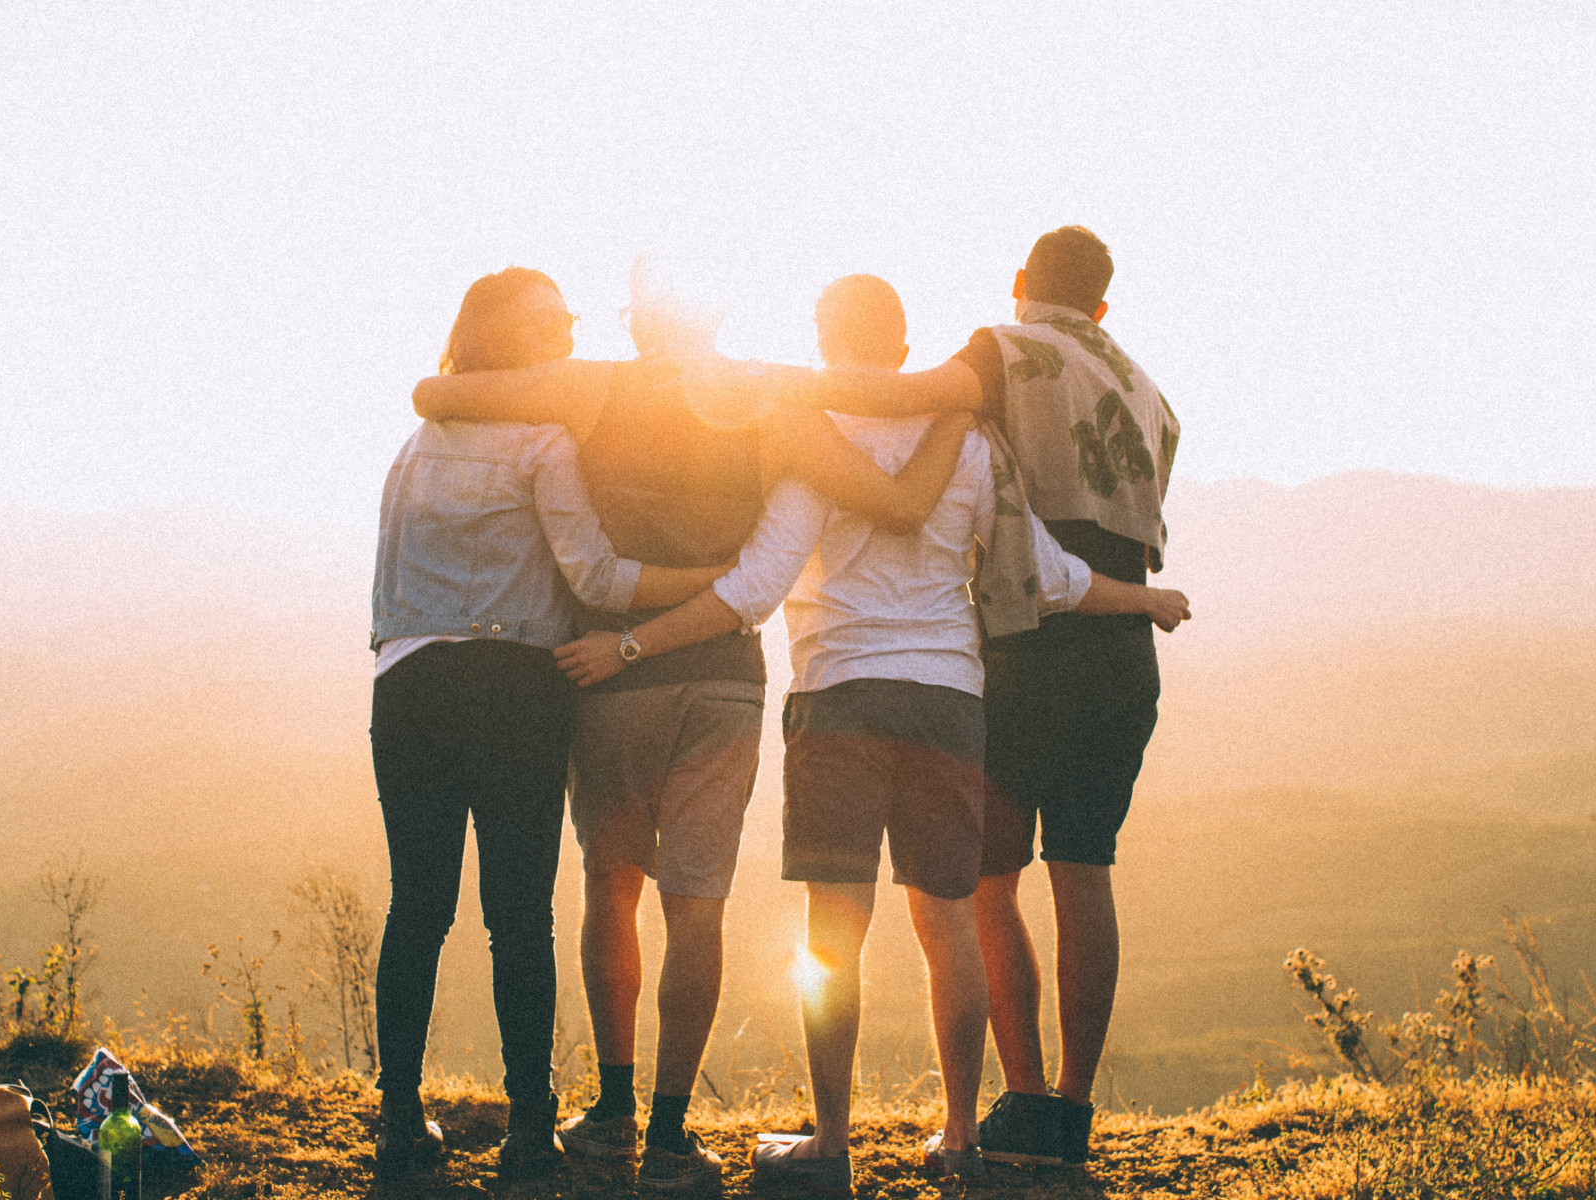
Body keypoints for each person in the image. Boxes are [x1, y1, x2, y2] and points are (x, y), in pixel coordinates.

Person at [553, 275, 1188, 1193]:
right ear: (903, 347)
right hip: (948, 701)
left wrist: (632, 643)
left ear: (823, 340)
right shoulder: (970, 441)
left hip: (837, 699)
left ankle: (831, 1141)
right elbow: (1046, 574)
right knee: (949, 921)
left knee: (833, 932)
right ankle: (960, 1137)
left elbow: (756, 588)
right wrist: (1143, 599)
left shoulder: (812, 438)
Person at [410, 257, 972, 1191]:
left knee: (611, 887)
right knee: (696, 906)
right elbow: (895, 501)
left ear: (638, 320)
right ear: (716, 314)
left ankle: (613, 1112)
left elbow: (440, 395)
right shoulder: (769, 400)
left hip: (610, 675)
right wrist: (959, 402)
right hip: (723, 680)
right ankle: (672, 1135)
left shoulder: (589, 388)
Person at [776, 229, 1185, 1167]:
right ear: (1103, 305)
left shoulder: (1005, 350)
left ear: (1019, 283)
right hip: (1120, 642)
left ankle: (1021, 1101)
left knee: (986, 885)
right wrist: (1143, 600)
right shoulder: (1149, 391)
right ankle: (1069, 1114)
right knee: (1085, 869)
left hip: (1027, 640)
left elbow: (904, 397)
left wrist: (767, 386)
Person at [366, 267, 733, 1186]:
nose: (568, 332)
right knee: (519, 915)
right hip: (514, 688)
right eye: (549, 322)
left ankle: (399, 1117)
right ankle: (530, 1126)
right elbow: (598, 579)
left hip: (406, 685)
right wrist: (716, 583)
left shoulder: (415, 446)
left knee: (417, 907)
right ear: (505, 338)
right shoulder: (543, 441)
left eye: (568, 316)